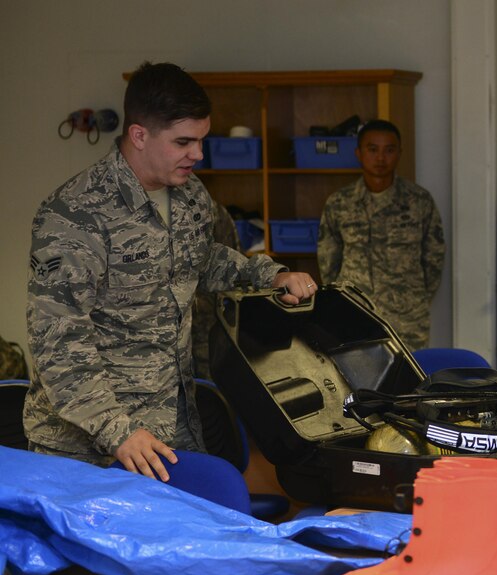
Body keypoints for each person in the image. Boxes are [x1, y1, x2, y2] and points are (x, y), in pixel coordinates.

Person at [24, 61, 317, 482]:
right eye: (183, 142)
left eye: (201, 140)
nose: (197, 154)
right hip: (91, 446)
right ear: (139, 135)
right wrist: (117, 430)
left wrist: (267, 275)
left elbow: (202, 258)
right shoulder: (75, 214)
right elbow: (57, 340)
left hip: (171, 423)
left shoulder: (190, 193)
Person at [317, 119, 445, 351]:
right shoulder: (339, 203)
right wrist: (341, 301)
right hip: (355, 313)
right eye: (372, 149)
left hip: (407, 317)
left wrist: (413, 297)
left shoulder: (419, 201)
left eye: (389, 150)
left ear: (399, 153)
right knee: (357, 380)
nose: (381, 158)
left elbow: (434, 258)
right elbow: (328, 260)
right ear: (359, 153)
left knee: (411, 382)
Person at [191, 198, 240, 380]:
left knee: (212, 385)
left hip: (208, 320)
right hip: (162, 333)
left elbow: (231, 265)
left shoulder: (210, 209)